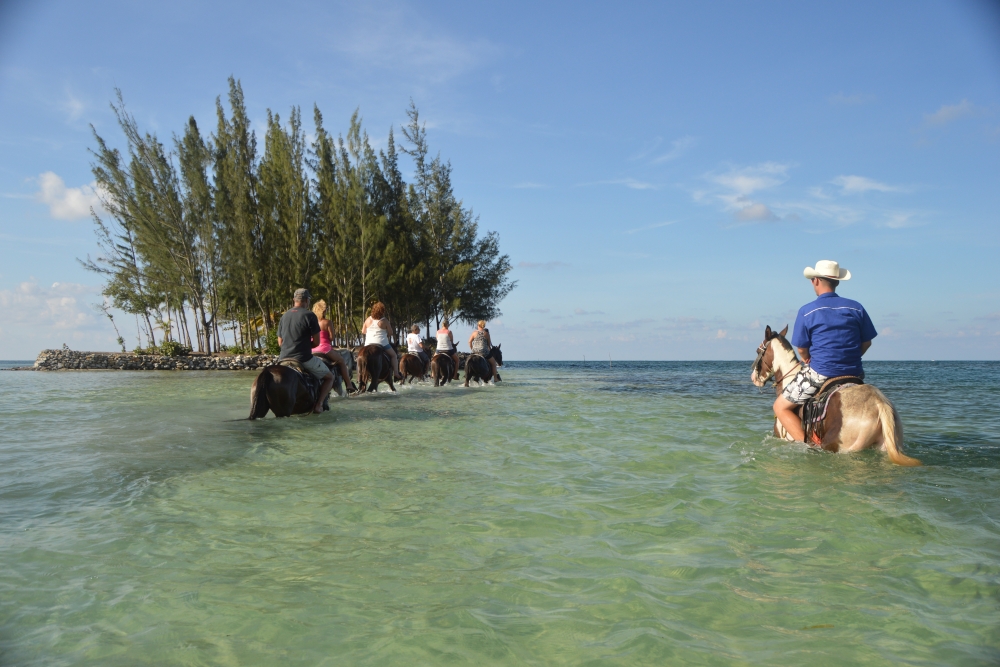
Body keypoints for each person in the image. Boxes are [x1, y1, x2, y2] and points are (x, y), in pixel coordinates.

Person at [773, 260, 877, 442]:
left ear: (815, 281)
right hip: (854, 372)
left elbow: (801, 348)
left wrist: (806, 359)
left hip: (822, 372)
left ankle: (807, 445)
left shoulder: (807, 311)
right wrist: (849, 356)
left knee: (780, 407)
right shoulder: (856, 307)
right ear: (837, 282)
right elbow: (866, 342)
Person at [276, 288, 334, 414]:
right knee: (330, 377)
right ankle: (318, 405)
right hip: (303, 358)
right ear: (307, 301)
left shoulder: (284, 316)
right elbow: (317, 343)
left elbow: (280, 342)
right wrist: (305, 346)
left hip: (283, 358)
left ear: (294, 300)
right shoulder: (310, 315)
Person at [310, 299, 357, 393]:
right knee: (341, 361)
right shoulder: (327, 322)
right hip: (325, 349)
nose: (326, 311)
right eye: (325, 310)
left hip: (312, 350)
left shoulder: (311, 322)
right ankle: (349, 384)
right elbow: (331, 338)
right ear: (323, 311)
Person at [362, 302, 402, 381]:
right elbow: (390, 333)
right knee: (394, 355)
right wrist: (385, 334)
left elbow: (363, 331)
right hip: (382, 343)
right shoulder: (384, 321)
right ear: (382, 311)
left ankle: (360, 376)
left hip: (368, 344)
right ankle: (396, 374)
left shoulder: (368, 319)